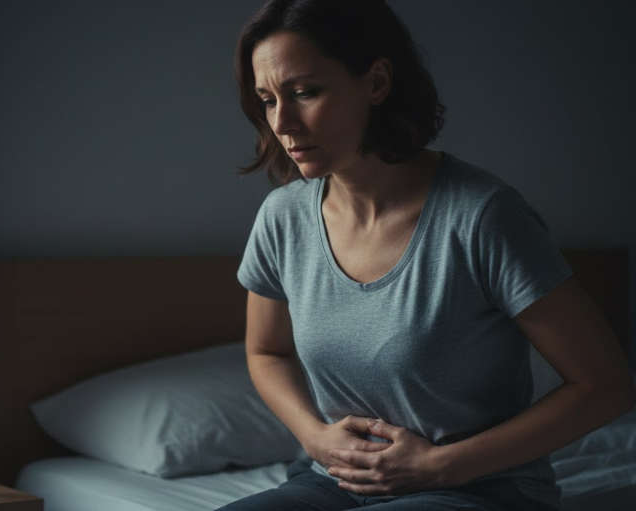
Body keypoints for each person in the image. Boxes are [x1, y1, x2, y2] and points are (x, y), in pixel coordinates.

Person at [217, 1, 636, 510]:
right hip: (334, 482)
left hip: (477, 489)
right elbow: (266, 352)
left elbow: (606, 385)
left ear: (375, 83)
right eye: (266, 100)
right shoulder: (282, 219)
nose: (282, 122)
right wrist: (314, 437)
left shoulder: (484, 217)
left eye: (305, 92)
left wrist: (438, 465)